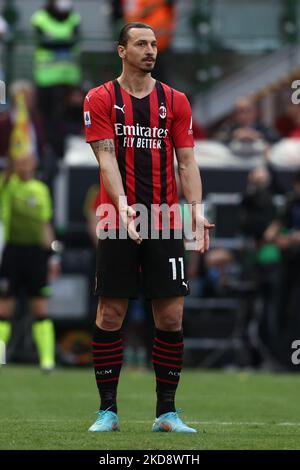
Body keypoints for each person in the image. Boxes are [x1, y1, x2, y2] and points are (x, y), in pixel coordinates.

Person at [84, 22, 213, 433]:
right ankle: (108, 412)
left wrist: (195, 209)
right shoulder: (100, 97)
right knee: (111, 312)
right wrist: (122, 207)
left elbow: (187, 161)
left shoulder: (174, 100)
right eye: (141, 43)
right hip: (116, 217)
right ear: (122, 50)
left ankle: (167, 413)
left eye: (154, 44)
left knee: (172, 315)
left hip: (164, 218)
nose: (150, 50)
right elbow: (106, 158)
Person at [0, 154, 59, 371]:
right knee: (4, 308)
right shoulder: (8, 184)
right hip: (13, 251)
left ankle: (47, 360)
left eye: (28, 160)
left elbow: (45, 223)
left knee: (40, 308)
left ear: (34, 163)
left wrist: (53, 255)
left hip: (36, 254)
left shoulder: (41, 189)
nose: (24, 165)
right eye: (20, 161)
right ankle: (0, 357)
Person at [31, 0, 81, 158]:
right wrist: (64, 41)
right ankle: (48, 153)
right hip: (45, 80)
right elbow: (42, 41)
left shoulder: (74, 18)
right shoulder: (40, 18)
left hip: (69, 80)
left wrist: (53, 41)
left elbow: (75, 40)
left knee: (68, 120)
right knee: (47, 120)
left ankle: (65, 154)